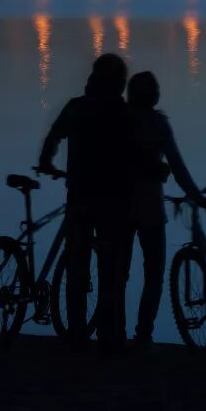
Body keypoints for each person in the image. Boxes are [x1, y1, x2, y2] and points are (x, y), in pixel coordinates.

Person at [37, 53, 131, 353]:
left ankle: (77, 330)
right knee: (109, 268)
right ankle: (108, 334)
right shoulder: (122, 112)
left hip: (79, 194)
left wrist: (46, 162)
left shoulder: (77, 107)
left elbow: (54, 137)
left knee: (77, 264)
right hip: (112, 200)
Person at [125, 71, 206, 348]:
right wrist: (197, 196)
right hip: (149, 207)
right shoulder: (158, 124)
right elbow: (178, 167)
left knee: (116, 273)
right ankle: (143, 334)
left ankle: (111, 332)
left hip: (118, 206)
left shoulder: (119, 120)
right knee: (154, 274)